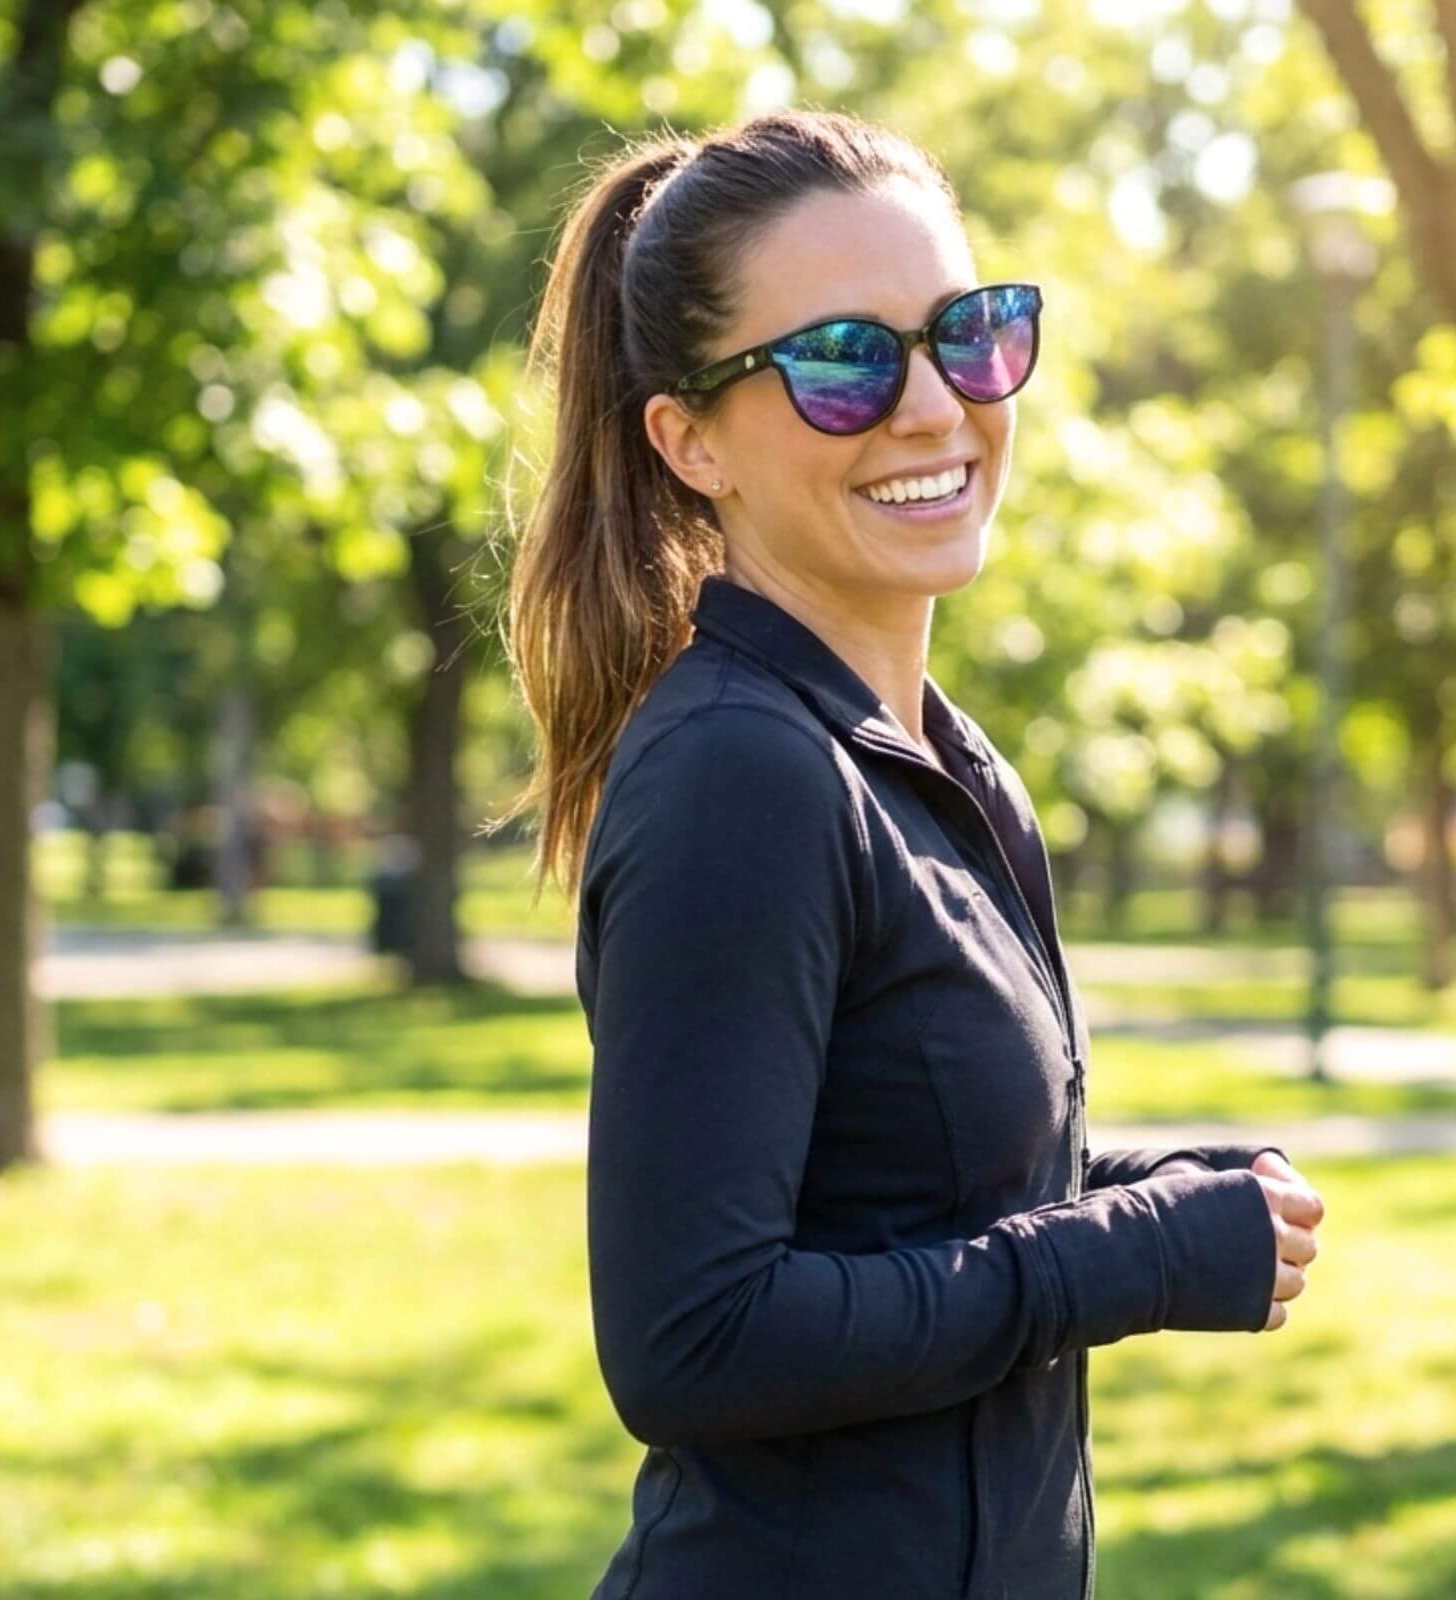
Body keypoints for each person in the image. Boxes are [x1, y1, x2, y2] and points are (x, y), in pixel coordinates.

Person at [493, 107, 1325, 1600]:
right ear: (690, 442)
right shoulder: (742, 773)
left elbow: (899, 1199)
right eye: (842, 364)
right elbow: (698, 1341)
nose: (935, 407)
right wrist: (1127, 1252)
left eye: (970, 333)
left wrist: (1157, 1189)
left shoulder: (942, 759)